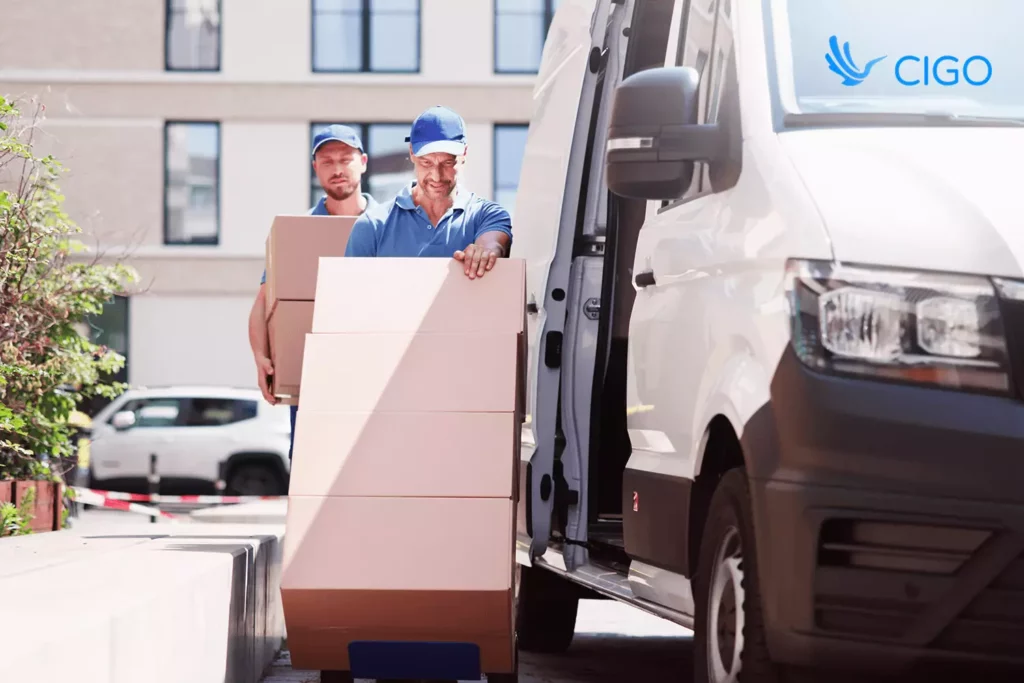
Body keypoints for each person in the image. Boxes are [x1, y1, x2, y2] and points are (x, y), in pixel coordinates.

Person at [247, 124, 377, 460]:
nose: (337, 169)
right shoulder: (298, 233)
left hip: (376, 386)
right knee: (312, 482)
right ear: (315, 168)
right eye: (327, 161)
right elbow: (264, 302)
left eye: (345, 159)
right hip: (313, 388)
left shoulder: (390, 224)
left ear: (362, 162)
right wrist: (261, 358)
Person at [344, 105, 512, 279]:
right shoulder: (373, 226)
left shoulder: (487, 215)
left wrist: (484, 252)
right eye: (427, 163)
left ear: (464, 154)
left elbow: (492, 244)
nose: (437, 176)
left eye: (447, 163)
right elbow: (350, 296)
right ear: (412, 153)